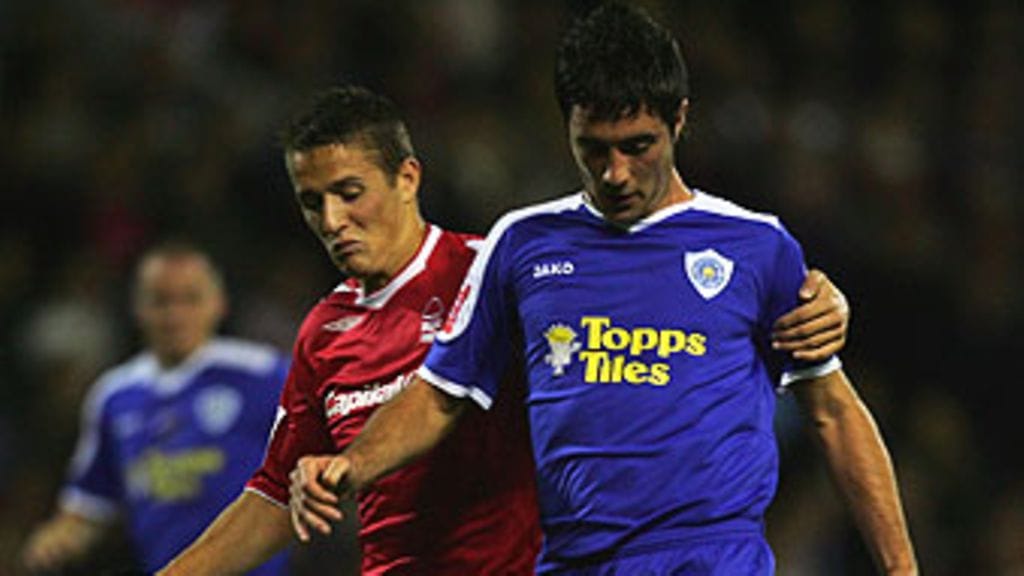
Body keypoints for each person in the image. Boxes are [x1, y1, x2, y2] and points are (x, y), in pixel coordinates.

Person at [289, 4, 918, 576]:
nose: (615, 173)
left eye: (637, 146)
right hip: (575, 560)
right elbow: (441, 394)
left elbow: (833, 412)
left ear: (680, 120)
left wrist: (900, 569)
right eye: (593, 149)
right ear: (566, 126)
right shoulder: (523, 243)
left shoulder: (755, 246)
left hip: (710, 555)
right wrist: (352, 465)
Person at [159, 85, 850, 575]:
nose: (333, 221)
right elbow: (279, 493)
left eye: (349, 192)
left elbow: (650, 310)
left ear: (407, 177)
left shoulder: (499, 270)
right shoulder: (324, 330)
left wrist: (819, 300)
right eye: (313, 203)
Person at [21, 242, 291, 575]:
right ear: (138, 308)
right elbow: (89, 505)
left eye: (190, 299)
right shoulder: (115, 395)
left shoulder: (263, 374)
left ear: (218, 304)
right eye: (161, 301)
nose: (175, 314)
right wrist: (57, 539)